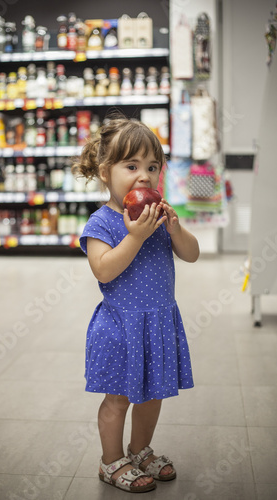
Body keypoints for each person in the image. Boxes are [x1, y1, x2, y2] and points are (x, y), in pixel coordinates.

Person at [73, 115, 199, 493]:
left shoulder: (157, 216)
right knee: (119, 399)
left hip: (158, 323)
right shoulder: (103, 222)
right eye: (132, 166)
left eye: (152, 167)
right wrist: (135, 238)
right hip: (121, 327)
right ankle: (110, 461)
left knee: (153, 395)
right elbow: (104, 271)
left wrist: (176, 229)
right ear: (105, 172)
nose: (144, 176)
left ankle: (140, 449)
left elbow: (191, 255)